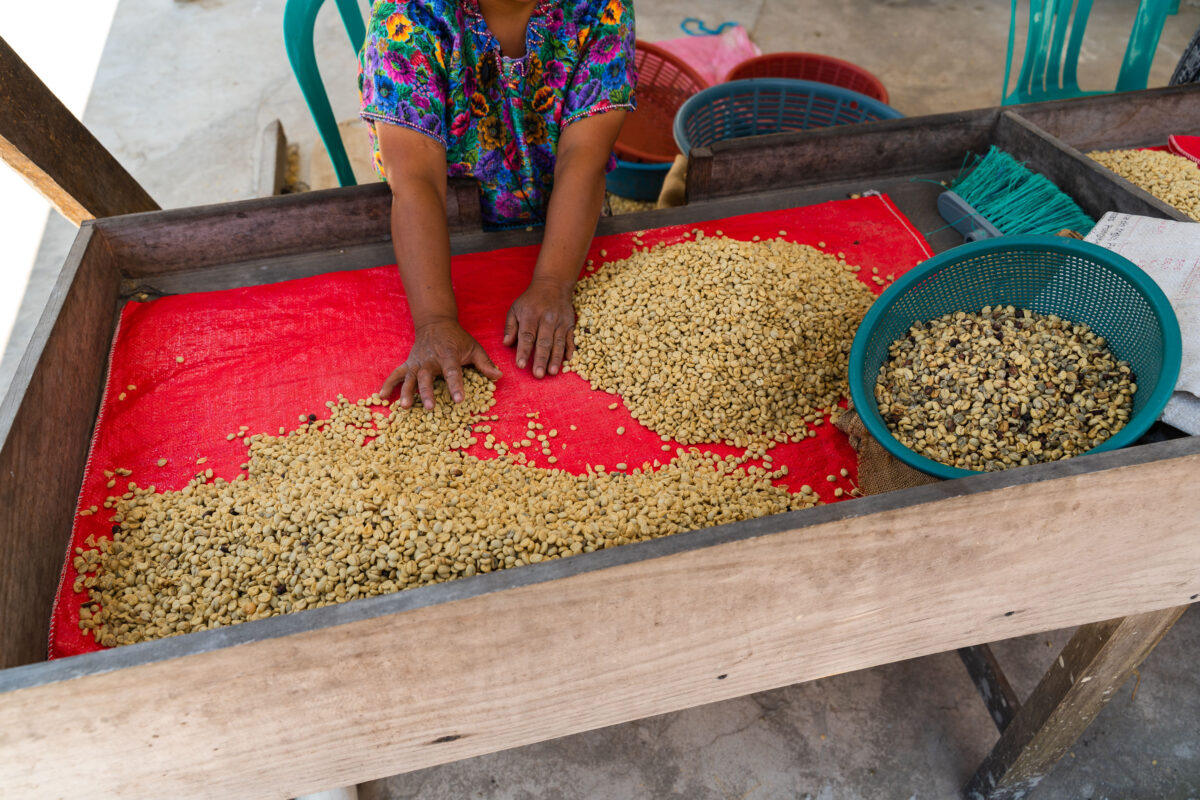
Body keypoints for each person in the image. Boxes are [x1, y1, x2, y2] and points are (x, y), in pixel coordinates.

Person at [357, 0, 636, 409]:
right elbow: (416, 183)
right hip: (447, 232)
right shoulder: (406, 17)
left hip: (562, 215)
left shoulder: (598, 8)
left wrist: (552, 282)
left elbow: (584, 158)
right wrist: (436, 321)